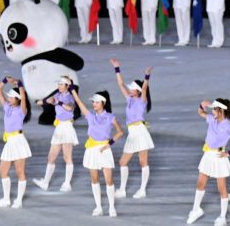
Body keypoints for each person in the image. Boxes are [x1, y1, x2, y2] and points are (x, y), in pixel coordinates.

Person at [187, 99, 230, 226]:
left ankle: (222, 217)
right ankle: (196, 209)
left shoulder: (228, 125)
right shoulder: (211, 119)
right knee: (200, 183)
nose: (212, 111)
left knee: (222, 188)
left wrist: (229, 153)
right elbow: (200, 112)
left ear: (221, 110)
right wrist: (202, 105)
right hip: (207, 155)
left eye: (214, 109)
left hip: (219, 157)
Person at [72, 87, 124, 217]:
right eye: (93, 102)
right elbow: (79, 103)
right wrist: (72, 90)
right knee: (94, 179)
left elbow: (120, 132)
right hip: (91, 149)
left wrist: (109, 144)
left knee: (109, 179)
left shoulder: (110, 117)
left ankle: (112, 207)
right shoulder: (90, 116)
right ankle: (98, 207)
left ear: (103, 103)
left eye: (96, 102)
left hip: (104, 150)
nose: (94, 104)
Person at [111, 60, 154, 198]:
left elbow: (145, 88)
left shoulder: (142, 101)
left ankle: (142, 190)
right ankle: (122, 190)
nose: (129, 90)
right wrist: (117, 68)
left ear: (138, 91)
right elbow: (120, 84)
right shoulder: (129, 99)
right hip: (132, 133)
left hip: (140, 131)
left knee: (143, 162)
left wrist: (146, 76)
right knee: (123, 162)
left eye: (132, 88)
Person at [34, 77, 78, 193]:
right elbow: (44, 101)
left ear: (67, 86)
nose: (59, 86)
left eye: (61, 84)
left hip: (67, 127)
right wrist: (41, 101)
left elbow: (70, 108)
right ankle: (45, 182)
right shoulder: (57, 95)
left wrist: (58, 102)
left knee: (67, 157)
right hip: (59, 128)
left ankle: (67, 184)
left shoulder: (70, 97)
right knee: (51, 157)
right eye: (58, 84)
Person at [0, 77, 31, 208]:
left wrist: (20, 84)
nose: (8, 98)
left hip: (18, 141)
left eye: (11, 97)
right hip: (9, 142)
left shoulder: (22, 110)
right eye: (8, 97)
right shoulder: (7, 107)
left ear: (17, 99)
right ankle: (6, 199)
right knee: (2, 171)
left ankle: (19, 200)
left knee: (20, 172)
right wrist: (5, 80)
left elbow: (24, 97)